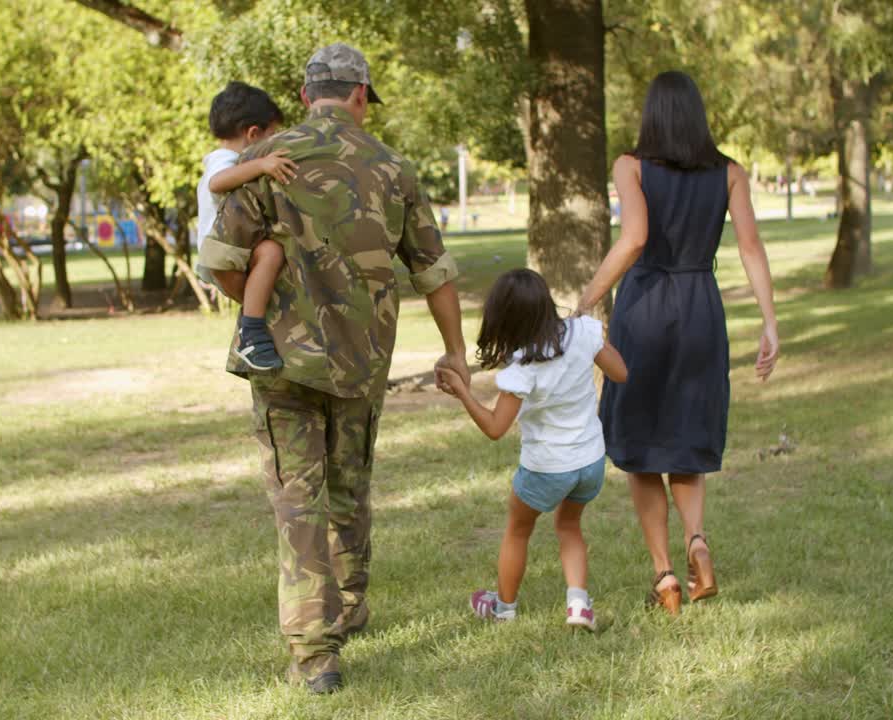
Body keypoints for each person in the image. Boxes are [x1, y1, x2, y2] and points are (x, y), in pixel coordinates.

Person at [198, 43, 469, 695]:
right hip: (360, 361)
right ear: (359, 95)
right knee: (349, 487)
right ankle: (348, 607)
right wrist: (456, 350)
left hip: (279, 362)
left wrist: (266, 307)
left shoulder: (264, 161)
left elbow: (220, 262)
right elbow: (433, 272)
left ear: (304, 95)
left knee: (298, 500)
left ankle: (316, 656)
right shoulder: (393, 168)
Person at [574, 71, 779, 615]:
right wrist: (769, 323)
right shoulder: (730, 172)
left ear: (651, 115)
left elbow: (634, 239)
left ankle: (665, 575)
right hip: (700, 309)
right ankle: (697, 541)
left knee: (642, 449)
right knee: (687, 436)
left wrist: (587, 299)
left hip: (645, 308)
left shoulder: (631, 166)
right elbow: (751, 248)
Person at [437, 269, 627, 632]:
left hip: (547, 467)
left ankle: (503, 608)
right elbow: (620, 373)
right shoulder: (583, 332)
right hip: (590, 462)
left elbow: (495, 428)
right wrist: (589, 336)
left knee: (518, 529)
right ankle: (578, 605)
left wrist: (463, 392)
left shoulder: (523, 367)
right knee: (569, 526)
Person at [195, 81, 295, 370]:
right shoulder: (224, 161)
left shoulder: (229, 160)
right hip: (224, 254)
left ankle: (254, 331)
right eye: (271, 134)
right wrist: (262, 165)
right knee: (271, 253)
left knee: (268, 297)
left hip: (230, 253)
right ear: (253, 134)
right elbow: (217, 183)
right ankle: (250, 335)